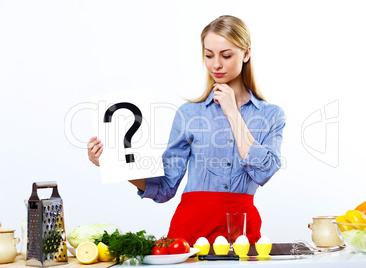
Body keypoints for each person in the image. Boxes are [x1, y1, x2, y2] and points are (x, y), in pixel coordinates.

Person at [88, 15, 285, 246]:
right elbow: (164, 188)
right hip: (190, 231)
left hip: (241, 231)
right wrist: (115, 164)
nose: (216, 65)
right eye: (209, 55)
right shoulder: (189, 114)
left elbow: (264, 172)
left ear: (247, 53)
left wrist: (233, 113)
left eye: (226, 55)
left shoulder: (272, 115)